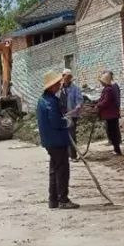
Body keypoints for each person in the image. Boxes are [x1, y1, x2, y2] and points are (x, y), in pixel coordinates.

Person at [37, 72, 78, 209]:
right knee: (62, 170)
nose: (59, 85)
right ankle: (63, 199)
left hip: (50, 141)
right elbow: (55, 122)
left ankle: (53, 199)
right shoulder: (50, 102)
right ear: (51, 86)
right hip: (57, 140)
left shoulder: (43, 100)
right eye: (57, 84)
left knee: (54, 170)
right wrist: (66, 122)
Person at [59, 69, 84, 161]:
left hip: (72, 115)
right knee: (63, 135)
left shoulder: (75, 89)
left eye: (68, 77)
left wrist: (78, 106)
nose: (66, 78)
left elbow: (80, 100)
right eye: (65, 76)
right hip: (62, 115)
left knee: (71, 135)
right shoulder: (61, 89)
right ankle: (66, 155)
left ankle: (73, 155)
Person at [96, 71, 123, 156]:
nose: (101, 83)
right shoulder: (107, 89)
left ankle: (117, 150)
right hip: (110, 114)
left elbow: (106, 101)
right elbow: (103, 99)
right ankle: (116, 149)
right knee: (112, 131)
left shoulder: (108, 89)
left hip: (111, 114)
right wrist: (97, 103)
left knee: (113, 132)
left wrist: (98, 105)